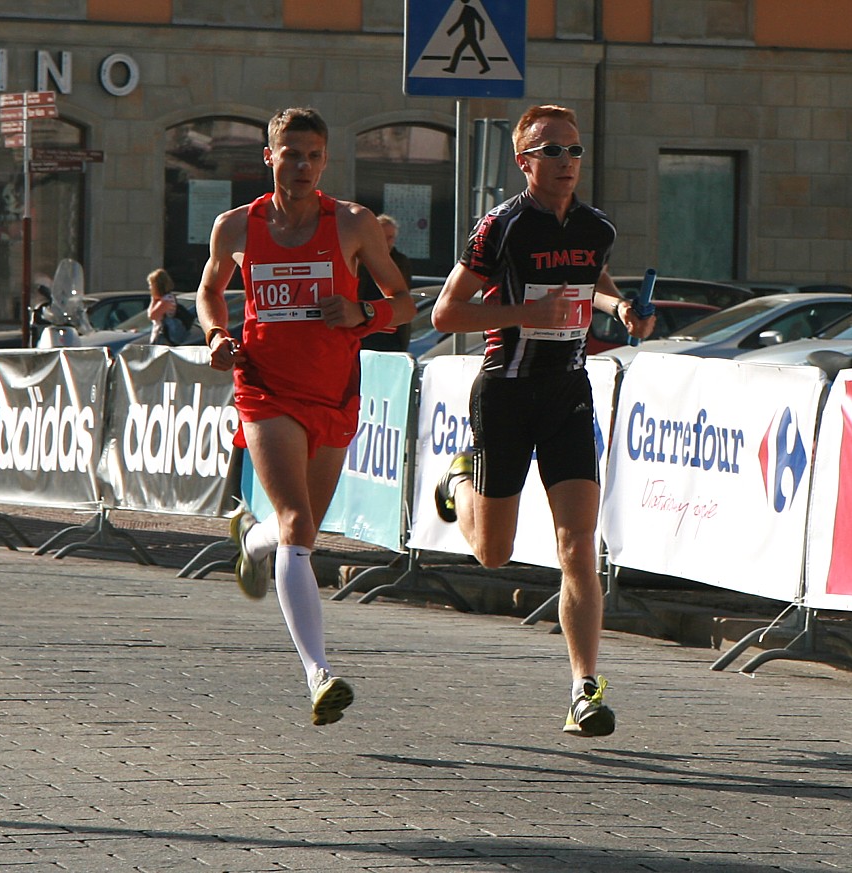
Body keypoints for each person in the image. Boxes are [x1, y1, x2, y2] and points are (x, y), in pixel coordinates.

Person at [430, 104, 654, 738]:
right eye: (552, 151)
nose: (566, 162)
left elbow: (591, 277)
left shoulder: (596, 226)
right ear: (524, 162)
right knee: (494, 554)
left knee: (578, 543)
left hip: (567, 393)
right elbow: (446, 314)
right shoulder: (500, 226)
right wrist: (525, 315)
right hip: (505, 392)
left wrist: (620, 309)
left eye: (574, 150)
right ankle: (459, 479)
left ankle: (585, 688)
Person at [196, 107, 416, 726]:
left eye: (313, 156)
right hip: (265, 389)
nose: (302, 166)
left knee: (304, 529)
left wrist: (363, 314)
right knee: (297, 521)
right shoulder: (235, 226)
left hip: (333, 392)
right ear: (269, 157)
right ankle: (318, 673)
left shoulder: (352, 223)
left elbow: (404, 302)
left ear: (325, 161)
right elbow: (209, 290)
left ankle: (251, 539)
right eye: (290, 154)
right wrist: (215, 335)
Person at [357, 214, 414, 352]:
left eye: (390, 237)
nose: (386, 242)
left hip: (392, 334)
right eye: (382, 237)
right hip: (366, 329)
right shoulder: (361, 260)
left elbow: (404, 296)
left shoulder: (400, 261)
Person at [146, 267, 186, 345]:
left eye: (151, 285)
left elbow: (152, 315)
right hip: (159, 336)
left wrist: (153, 300)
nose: (150, 288)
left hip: (164, 338)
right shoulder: (163, 299)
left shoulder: (167, 300)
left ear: (157, 285)